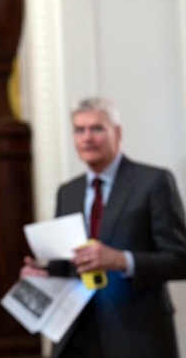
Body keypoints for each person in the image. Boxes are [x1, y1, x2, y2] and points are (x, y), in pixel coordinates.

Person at [21, 97, 186, 357]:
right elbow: (64, 264)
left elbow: (180, 259)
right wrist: (43, 276)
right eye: (79, 130)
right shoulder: (68, 192)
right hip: (75, 336)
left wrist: (122, 260)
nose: (87, 138)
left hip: (135, 336)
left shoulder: (154, 182)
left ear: (117, 133)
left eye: (96, 128)